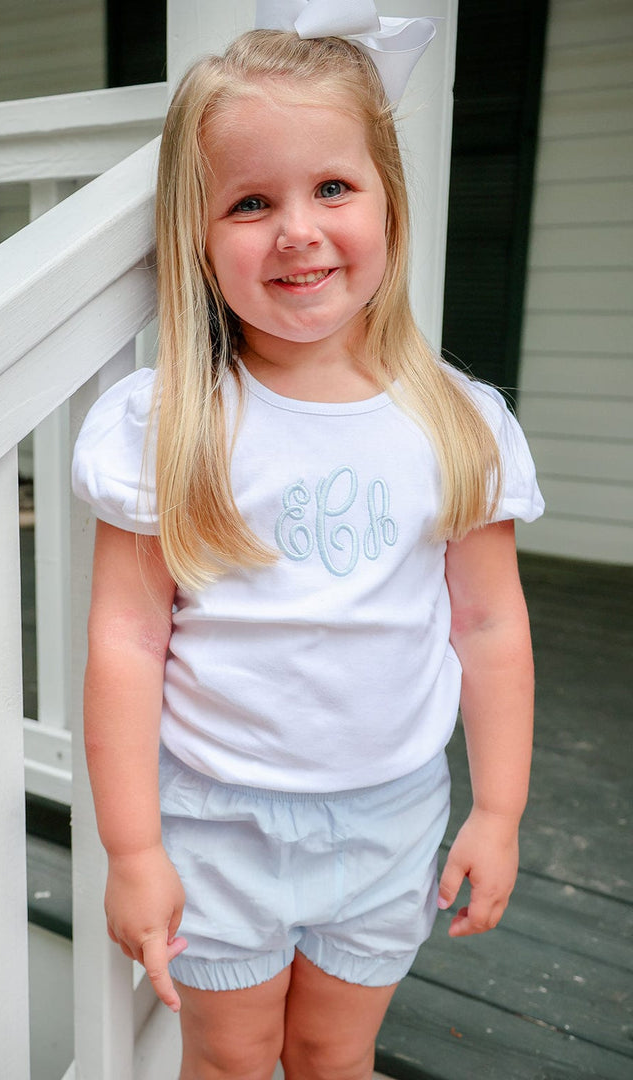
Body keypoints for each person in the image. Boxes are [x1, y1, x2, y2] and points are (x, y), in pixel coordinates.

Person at [72, 7, 544, 1079]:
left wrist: (501, 808)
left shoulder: (457, 420)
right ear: (197, 234)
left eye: (332, 188)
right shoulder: (174, 424)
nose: (297, 229)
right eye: (251, 201)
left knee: (335, 1057)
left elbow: (489, 622)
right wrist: (133, 849)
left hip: (391, 816)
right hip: (216, 818)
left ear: (390, 200)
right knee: (232, 1061)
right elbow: (127, 641)